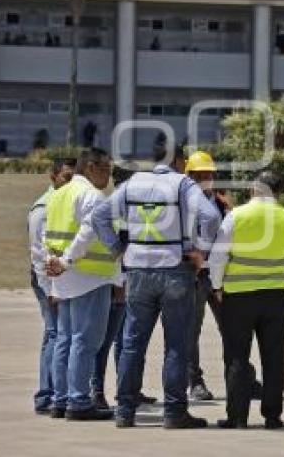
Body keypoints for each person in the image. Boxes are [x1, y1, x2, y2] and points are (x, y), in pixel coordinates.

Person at [92, 144, 221, 429]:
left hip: (138, 270)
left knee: (132, 344)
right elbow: (210, 217)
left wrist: (116, 248)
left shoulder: (132, 183)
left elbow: (99, 217)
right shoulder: (182, 184)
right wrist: (201, 251)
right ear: (177, 161)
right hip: (175, 269)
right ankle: (174, 412)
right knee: (175, 345)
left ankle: (124, 410)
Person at [208, 171, 284, 430]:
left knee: (237, 356)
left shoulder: (236, 216)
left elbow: (217, 258)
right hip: (276, 296)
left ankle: (237, 417)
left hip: (239, 297)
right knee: (274, 357)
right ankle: (273, 416)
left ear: (254, 189)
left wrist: (216, 287)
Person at [44, 148, 119, 421]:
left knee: (65, 339)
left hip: (65, 277)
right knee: (85, 342)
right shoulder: (92, 195)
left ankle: (60, 399)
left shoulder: (59, 193)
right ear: (89, 167)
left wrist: (54, 263)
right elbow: (89, 231)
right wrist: (66, 261)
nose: (108, 177)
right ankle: (78, 401)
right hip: (89, 276)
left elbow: (47, 234)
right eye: (105, 170)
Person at [184, 150, 264, 402]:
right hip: (194, 276)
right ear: (189, 176)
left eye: (209, 173)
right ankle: (195, 382)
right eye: (200, 174)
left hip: (219, 275)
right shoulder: (183, 203)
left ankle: (242, 378)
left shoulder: (220, 203)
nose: (206, 178)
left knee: (232, 328)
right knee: (191, 332)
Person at [90, 162, 158, 411]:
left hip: (126, 283)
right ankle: (97, 390)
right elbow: (120, 248)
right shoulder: (117, 210)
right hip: (115, 285)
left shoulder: (124, 207)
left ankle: (127, 389)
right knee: (105, 343)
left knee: (126, 342)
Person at [29, 158, 76, 414]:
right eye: (66, 177)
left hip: (64, 281)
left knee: (63, 335)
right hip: (47, 282)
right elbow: (39, 255)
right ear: (53, 177)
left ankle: (61, 391)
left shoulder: (67, 204)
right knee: (55, 334)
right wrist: (50, 291)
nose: (71, 183)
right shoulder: (44, 208)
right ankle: (46, 395)